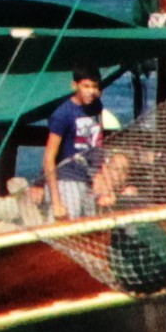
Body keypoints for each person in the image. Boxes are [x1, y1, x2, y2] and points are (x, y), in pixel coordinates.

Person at [45, 70, 110, 220]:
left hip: (89, 178)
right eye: (86, 86)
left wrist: (104, 182)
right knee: (65, 228)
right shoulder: (63, 114)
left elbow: (99, 144)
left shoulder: (96, 107)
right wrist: (56, 202)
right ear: (75, 86)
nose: (91, 92)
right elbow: (49, 158)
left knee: (91, 229)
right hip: (67, 180)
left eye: (94, 87)